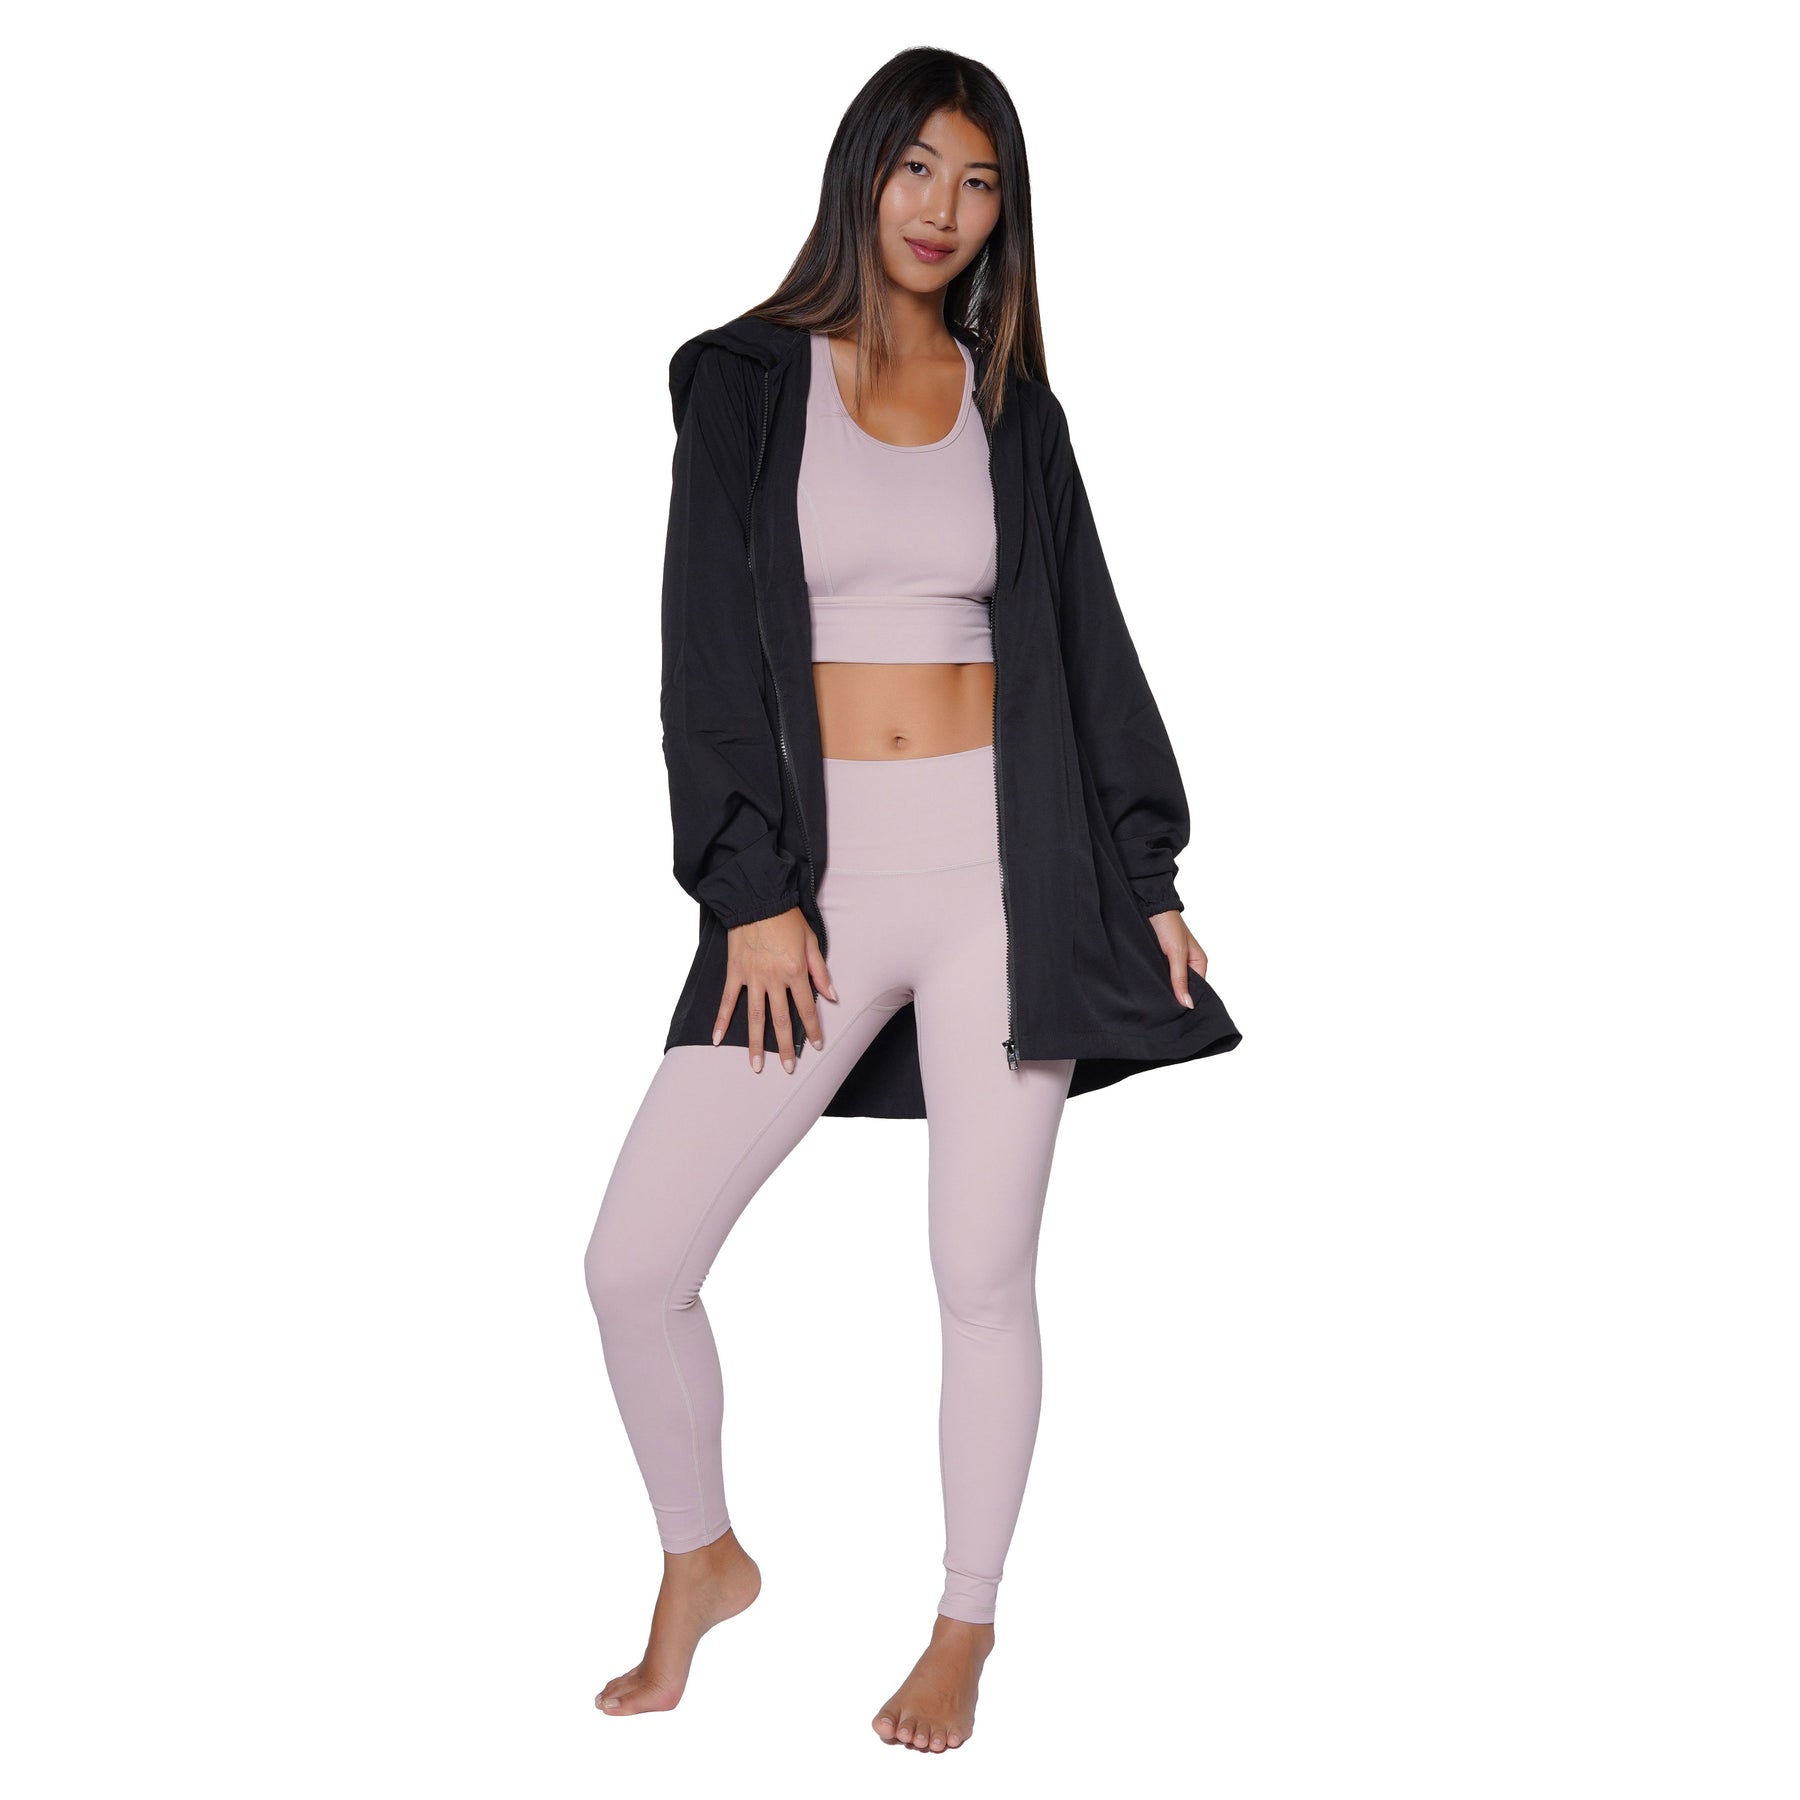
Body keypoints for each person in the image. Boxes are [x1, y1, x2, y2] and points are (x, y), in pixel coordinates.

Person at [583, 46, 1241, 1752]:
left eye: (982, 182)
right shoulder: (745, 382)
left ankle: (964, 1623)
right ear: (863, 172)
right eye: (920, 170)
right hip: (813, 891)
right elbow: (703, 655)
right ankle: (702, 1556)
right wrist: (749, 890)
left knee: (982, 1273)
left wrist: (1146, 874)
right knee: (635, 1262)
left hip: (1006, 882)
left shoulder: (1015, 407)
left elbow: (1087, 644)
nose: (946, 210)